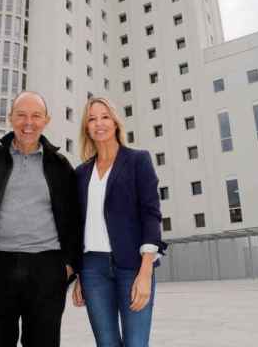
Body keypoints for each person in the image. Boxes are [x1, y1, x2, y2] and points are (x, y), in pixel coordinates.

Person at [0, 91, 80, 347]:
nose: (28, 122)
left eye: (36, 116)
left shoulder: (60, 165)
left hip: (47, 268)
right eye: (21, 115)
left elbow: (74, 221)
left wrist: (69, 265)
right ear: (10, 118)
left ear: (46, 120)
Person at [71, 96, 166, 347]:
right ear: (86, 127)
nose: (99, 123)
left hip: (132, 266)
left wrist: (145, 271)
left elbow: (151, 214)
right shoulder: (80, 173)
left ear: (115, 123)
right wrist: (80, 275)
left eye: (105, 117)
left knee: (136, 343)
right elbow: (78, 226)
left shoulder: (138, 160)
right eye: (92, 119)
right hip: (93, 270)